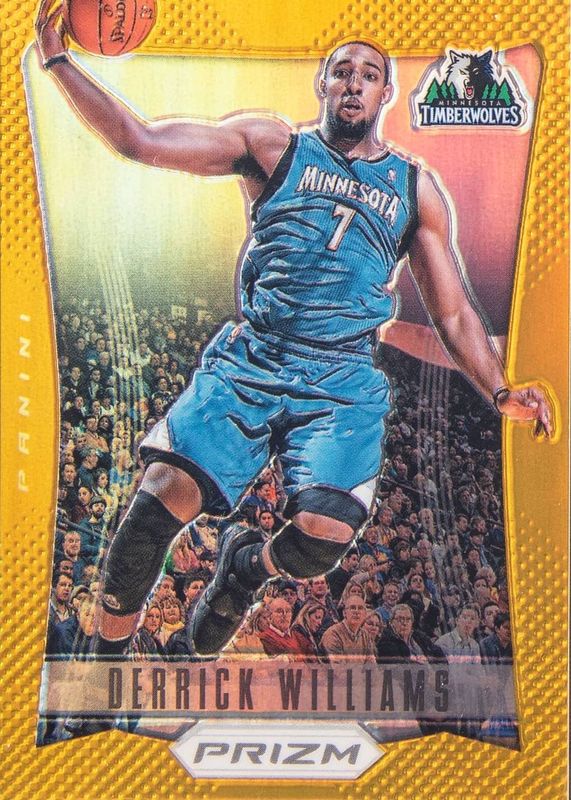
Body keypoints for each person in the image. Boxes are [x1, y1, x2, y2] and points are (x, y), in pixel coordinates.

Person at [35, 13, 552, 662]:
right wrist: (58, 61)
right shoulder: (270, 144)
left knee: (320, 538)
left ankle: (246, 567)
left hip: (339, 378)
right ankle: (104, 675)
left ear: (385, 93)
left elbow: (451, 315)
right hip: (255, 357)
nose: (354, 83)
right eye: (342, 71)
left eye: (369, 75)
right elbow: (138, 140)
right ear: (322, 84)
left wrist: (499, 389)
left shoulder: (413, 189)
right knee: (154, 509)